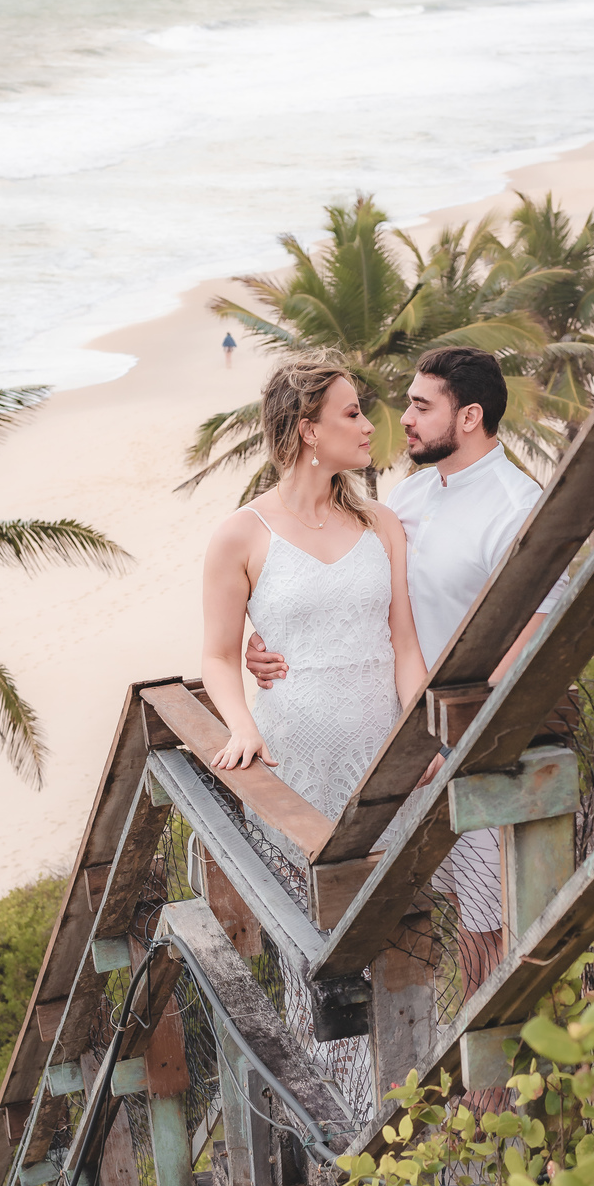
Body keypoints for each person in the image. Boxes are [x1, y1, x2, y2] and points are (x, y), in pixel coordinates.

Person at [246, 347, 566, 992]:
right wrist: (269, 633)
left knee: (486, 916)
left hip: (470, 740)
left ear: (469, 416)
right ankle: (418, 1062)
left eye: (422, 406)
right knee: (403, 904)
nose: (404, 419)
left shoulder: (515, 507)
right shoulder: (410, 494)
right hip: (398, 734)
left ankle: (493, 1081)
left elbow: (532, 640)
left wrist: (455, 737)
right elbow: (358, 588)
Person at [201, 351, 428, 843]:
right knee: (297, 914)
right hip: (290, 761)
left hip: (382, 762)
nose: (369, 426)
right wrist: (242, 729)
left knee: (398, 911)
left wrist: (422, 739)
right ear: (309, 431)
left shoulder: (382, 524)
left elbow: (405, 646)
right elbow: (218, 657)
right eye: (351, 414)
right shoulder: (240, 534)